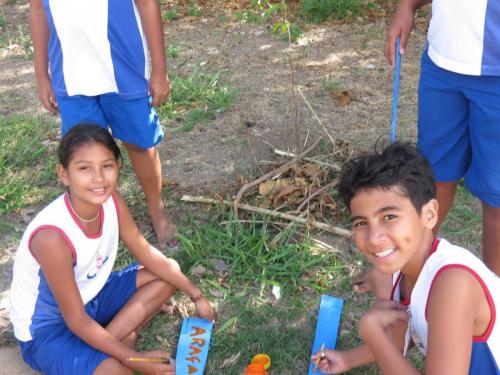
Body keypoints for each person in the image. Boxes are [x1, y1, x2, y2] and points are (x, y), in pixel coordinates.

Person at [9, 124, 215, 375]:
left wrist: (197, 296)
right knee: (118, 372)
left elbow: (146, 252)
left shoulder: (111, 201)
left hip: (91, 296)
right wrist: (135, 360)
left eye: (106, 165)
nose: (98, 178)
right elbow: (75, 319)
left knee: (168, 273)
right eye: (84, 168)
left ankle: (103, 346)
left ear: (118, 167)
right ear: (64, 174)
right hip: (48, 330)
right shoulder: (51, 237)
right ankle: (113, 345)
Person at [312, 143, 499, 374]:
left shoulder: (453, 284)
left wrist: (373, 332)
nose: (374, 238)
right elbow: (411, 332)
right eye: (361, 223)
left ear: (429, 215)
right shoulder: (402, 267)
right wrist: (348, 359)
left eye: (389, 216)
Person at [29, 0, 177, 247]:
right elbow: (37, 9)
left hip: (124, 68)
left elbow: (147, 3)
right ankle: (106, 219)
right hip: (70, 73)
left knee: (139, 143)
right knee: (85, 151)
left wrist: (160, 70)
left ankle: (157, 209)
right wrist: (41, 75)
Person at [384, 0, 500, 274]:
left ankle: (494, 296)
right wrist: (408, 7)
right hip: (442, 66)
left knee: (497, 196)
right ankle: (412, 275)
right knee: (433, 177)